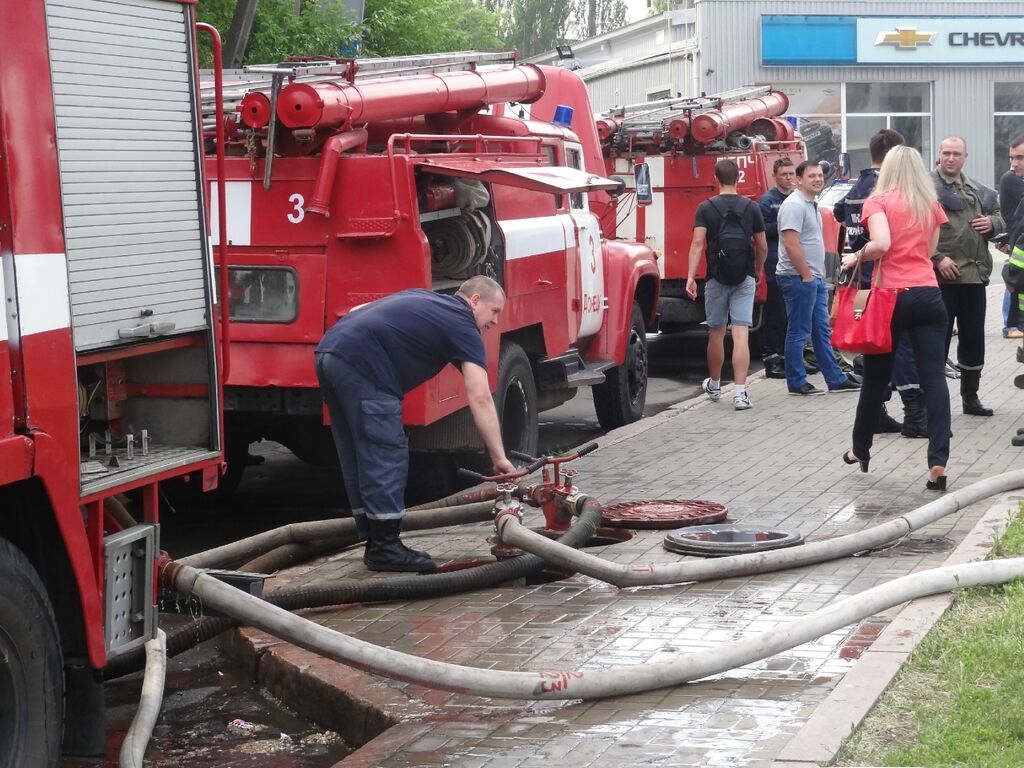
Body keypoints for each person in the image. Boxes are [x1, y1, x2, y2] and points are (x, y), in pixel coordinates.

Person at [315, 276, 516, 572]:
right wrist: (499, 458)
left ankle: (375, 542)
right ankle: (385, 548)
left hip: (330, 352)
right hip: (363, 364)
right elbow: (480, 396)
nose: (496, 321)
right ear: (474, 301)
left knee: (360, 454)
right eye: (495, 311)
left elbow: (363, 311)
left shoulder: (430, 302)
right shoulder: (462, 322)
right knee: (385, 452)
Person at [840, 146, 951, 490]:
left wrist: (853, 256)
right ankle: (938, 463)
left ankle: (860, 449)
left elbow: (883, 244)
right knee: (935, 379)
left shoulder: (879, 202)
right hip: (929, 296)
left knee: (875, 377)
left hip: (891, 298)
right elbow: (930, 251)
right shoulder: (930, 205)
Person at [834, 129, 928, 439]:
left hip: (861, 283)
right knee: (900, 348)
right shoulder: (882, 191)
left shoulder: (854, 189)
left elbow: (839, 214)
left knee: (875, 349)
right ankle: (915, 411)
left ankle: (876, 413)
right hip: (885, 280)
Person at [932, 136, 1005, 417]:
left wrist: (992, 223)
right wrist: (937, 258)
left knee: (973, 341)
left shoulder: (977, 190)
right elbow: (916, 230)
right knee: (936, 342)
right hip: (941, 280)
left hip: (974, 277)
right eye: (946, 153)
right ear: (939, 155)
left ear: (965, 156)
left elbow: (1002, 216)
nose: (951, 158)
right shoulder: (928, 187)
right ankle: (934, 402)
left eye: (956, 154)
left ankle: (970, 397)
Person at [686, 159, 768, 410]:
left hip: (715, 277)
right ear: (738, 178)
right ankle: (741, 393)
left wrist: (690, 276)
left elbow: (698, 243)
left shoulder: (706, 207)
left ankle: (715, 383)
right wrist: (758, 269)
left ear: (716, 178)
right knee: (741, 332)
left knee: (716, 332)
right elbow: (762, 245)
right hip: (744, 275)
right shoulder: (751, 207)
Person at [776, 160, 861, 395]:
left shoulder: (811, 204)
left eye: (820, 175)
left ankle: (836, 379)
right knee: (799, 331)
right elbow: (792, 245)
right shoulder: (794, 205)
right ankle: (796, 381)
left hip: (813, 279)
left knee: (821, 331)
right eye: (811, 176)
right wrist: (806, 275)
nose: (817, 179)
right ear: (799, 180)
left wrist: (819, 273)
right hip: (797, 278)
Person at [758, 157, 796, 379]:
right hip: (775, 266)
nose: (788, 178)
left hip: (793, 265)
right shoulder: (767, 201)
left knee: (791, 317)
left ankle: (789, 358)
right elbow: (761, 231)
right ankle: (772, 360)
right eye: (784, 174)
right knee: (776, 316)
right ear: (775, 176)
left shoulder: (796, 199)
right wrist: (786, 224)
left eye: (791, 173)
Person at [998, 135, 1024, 339]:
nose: (1014, 164)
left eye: (1020, 158)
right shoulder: (1010, 179)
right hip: (1018, 245)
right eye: (1012, 158)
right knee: (1014, 281)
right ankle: (1011, 324)